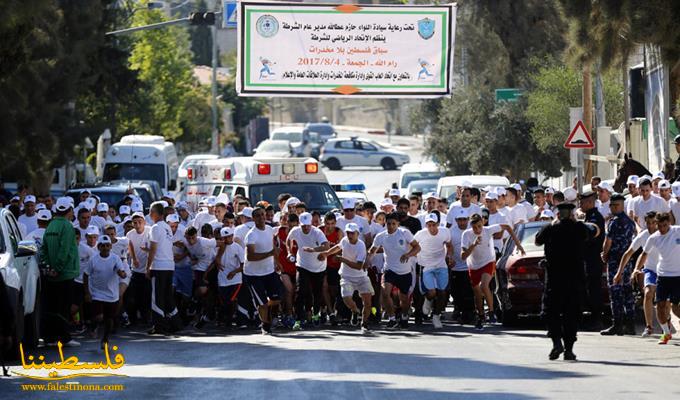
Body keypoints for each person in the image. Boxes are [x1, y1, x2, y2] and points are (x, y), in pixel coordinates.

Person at [535, 202, 599, 361]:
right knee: (572, 314)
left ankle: (557, 343)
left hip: (554, 279)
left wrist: (552, 224)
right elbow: (595, 231)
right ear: (572, 214)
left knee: (552, 312)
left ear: (558, 214)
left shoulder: (550, 228)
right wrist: (577, 221)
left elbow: (537, 240)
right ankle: (569, 349)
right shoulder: (579, 228)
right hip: (574, 279)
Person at [462, 214, 524, 330]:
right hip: (473, 265)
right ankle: (480, 315)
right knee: (477, 294)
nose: (477, 230)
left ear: (483, 223)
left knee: (484, 285)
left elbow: (507, 227)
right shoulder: (466, 235)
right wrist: (473, 245)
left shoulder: (488, 230)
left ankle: (491, 312)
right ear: (471, 226)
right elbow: (463, 256)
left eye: (479, 226)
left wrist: (518, 245)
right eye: (474, 227)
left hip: (488, 261)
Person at [40, 197, 81, 347]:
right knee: (64, 306)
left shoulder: (50, 225)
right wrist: (57, 268)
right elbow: (64, 250)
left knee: (52, 306)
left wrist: (49, 268)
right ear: (69, 211)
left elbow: (43, 249)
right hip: (64, 274)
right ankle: (64, 338)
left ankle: (50, 338)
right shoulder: (67, 226)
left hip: (52, 274)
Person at [368, 212, 420, 329]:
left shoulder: (404, 233)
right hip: (389, 270)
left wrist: (408, 255)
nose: (391, 226)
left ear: (398, 224)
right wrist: (367, 261)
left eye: (393, 224)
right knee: (385, 294)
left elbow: (417, 247)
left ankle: (404, 316)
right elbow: (372, 250)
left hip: (404, 271)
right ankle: (392, 318)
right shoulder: (381, 236)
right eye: (388, 224)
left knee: (404, 299)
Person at [320, 223, 373, 333]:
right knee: (346, 298)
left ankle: (364, 322)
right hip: (346, 276)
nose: (350, 235)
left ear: (357, 234)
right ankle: (354, 311)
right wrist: (326, 253)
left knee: (367, 301)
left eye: (352, 233)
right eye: (348, 233)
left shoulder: (361, 245)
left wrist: (342, 259)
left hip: (361, 276)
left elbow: (358, 266)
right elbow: (337, 247)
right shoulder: (344, 240)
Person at [636, 212, 680, 344]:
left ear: (669, 224)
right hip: (663, 276)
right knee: (660, 306)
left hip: (678, 276)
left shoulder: (677, 231)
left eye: (664, 225)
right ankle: (666, 334)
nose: (662, 229)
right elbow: (644, 254)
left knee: (675, 308)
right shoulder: (654, 238)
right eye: (659, 225)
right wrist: (637, 268)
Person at [613, 212, 659, 337]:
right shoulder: (643, 236)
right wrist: (619, 273)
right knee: (648, 294)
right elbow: (628, 253)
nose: (651, 226)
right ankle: (649, 327)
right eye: (648, 223)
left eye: (654, 222)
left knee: (664, 303)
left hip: (666, 271)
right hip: (650, 270)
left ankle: (667, 322)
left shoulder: (665, 234)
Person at [601, 193, 637, 336]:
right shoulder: (630, 222)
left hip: (616, 260)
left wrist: (604, 254)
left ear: (620, 206)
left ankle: (617, 325)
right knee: (628, 293)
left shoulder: (614, 222)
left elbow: (608, 242)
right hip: (628, 261)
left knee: (616, 292)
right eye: (611, 205)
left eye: (614, 205)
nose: (612, 208)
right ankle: (630, 325)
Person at [287, 212, 329, 329]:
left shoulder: (317, 232)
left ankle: (316, 314)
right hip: (302, 265)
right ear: (299, 224)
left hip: (318, 267)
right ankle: (298, 319)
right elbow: (288, 240)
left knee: (317, 292)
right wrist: (290, 252)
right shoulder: (295, 231)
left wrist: (313, 249)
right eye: (303, 225)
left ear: (311, 224)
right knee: (301, 291)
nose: (305, 228)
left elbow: (326, 246)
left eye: (308, 225)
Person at [83, 235, 127, 348]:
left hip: (112, 294)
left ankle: (105, 339)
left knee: (109, 318)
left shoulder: (115, 258)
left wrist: (122, 274)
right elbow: (86, 275)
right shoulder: (94, 259)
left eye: (107, 245)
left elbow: (121, 271)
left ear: (111, 246)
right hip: (97, 293)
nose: (105, 248)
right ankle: (94, 327)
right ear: (99, 247)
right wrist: (87, 292)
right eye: (103, 246)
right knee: (99, 317)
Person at [244, 207, 282, 335]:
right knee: (263, 304)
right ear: (253, 219)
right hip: (254, 275)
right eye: (258, 216)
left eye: (263, 215)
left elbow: (272, 247)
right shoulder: (251, 235)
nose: (261, 218)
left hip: (269, 271)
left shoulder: (270, 229)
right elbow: (251, 256)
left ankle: (264, 311)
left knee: (278, 298)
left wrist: (277, 261)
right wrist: (270, 253)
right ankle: (265, 324)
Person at [146, 201, 181, 335]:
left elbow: (153, 249)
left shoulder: (155, 228)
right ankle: (175, 323)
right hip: (169, 265)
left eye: (151, 211)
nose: (150, 214)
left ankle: (159, 326)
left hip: (159, 266)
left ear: (155, 213)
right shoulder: (167, 227)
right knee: (167, 295)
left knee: (157, 296)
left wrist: (148, 267)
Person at [413, 213, 452, 329]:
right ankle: (428, 300)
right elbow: (412, 245)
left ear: (438, 224)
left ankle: (436, 316)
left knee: (443, 292)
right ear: (426, 225)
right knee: (432, 292)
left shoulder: (445, 232)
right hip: (427, 266)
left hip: (441, 265)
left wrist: (450, 256)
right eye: (429, 225)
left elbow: (449, 245)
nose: (431, 227)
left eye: (433, 225)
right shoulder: (420, 234)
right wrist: (414, 257)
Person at [207, 227, 244, 329]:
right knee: (223, 301)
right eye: (225, 237)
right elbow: (215, 262)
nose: (228, 239)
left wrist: (234, 272)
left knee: (231, 300)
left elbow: (243, 265)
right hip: (222, 279)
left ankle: (229, 321)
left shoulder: (237, 247)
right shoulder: (218, 248)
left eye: (230, 236)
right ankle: (222, 319)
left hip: (235, 279)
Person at [579, 190, 606, 330]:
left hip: (593, 260)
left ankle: (596, 319)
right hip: (588, 259)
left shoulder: (595, 217)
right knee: (588, 289)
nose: (580, 204)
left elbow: (590, 233)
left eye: (582, 202)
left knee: (593, 290)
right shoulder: (589, 215)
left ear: (590, 202)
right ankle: (591, 318)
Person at [448, 207, 475, 324]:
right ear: (456, 220)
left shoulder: (472, 230)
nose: (462, 222)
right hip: (455, 267)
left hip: (469, 266)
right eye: (460, 220)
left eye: (464, 219)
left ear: (468, 219)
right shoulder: (451, 231)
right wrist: (449, 258)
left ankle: (469, 313)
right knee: (456, 291)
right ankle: (458, 309)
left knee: (468, 291)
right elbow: (447, 246)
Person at [126, 212, 151, 326]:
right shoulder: (130, 234)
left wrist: (147, 251)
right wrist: (134, 258)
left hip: (148, 270)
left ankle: (146, 319)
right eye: (135, 223)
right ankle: (133, 320)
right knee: (132, 297)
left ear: (144, 222)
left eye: (140, 222)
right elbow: (129, 246)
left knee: (146, 296)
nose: (137, 225)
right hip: (135, 270)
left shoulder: (150, 231)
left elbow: (155, 248)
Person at [320, 212, 343, 325]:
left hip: (334, 266)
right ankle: (330, 312)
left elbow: (342, 247)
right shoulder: (319, 231)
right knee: (324, 287)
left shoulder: (338, 232)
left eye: (332, 223)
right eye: (327, 223)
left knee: (333, 291)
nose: (330, 226)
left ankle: (332, 309)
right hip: (321, 265)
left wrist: (336, 255)